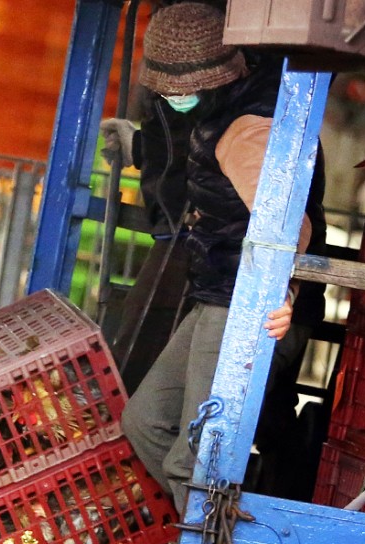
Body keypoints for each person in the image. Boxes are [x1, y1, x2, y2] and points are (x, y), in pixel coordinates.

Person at [101, 2, 328, 512]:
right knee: (145, 422)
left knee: (195, 459)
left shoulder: (247, 128)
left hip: (242, 302)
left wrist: (282, 296)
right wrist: (141, 146)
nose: (172, 100)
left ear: (214, 77)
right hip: (216, 290)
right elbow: (188, 162)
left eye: (180, 91)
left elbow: (290, 225)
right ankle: (218, 521)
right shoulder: (220, 107)